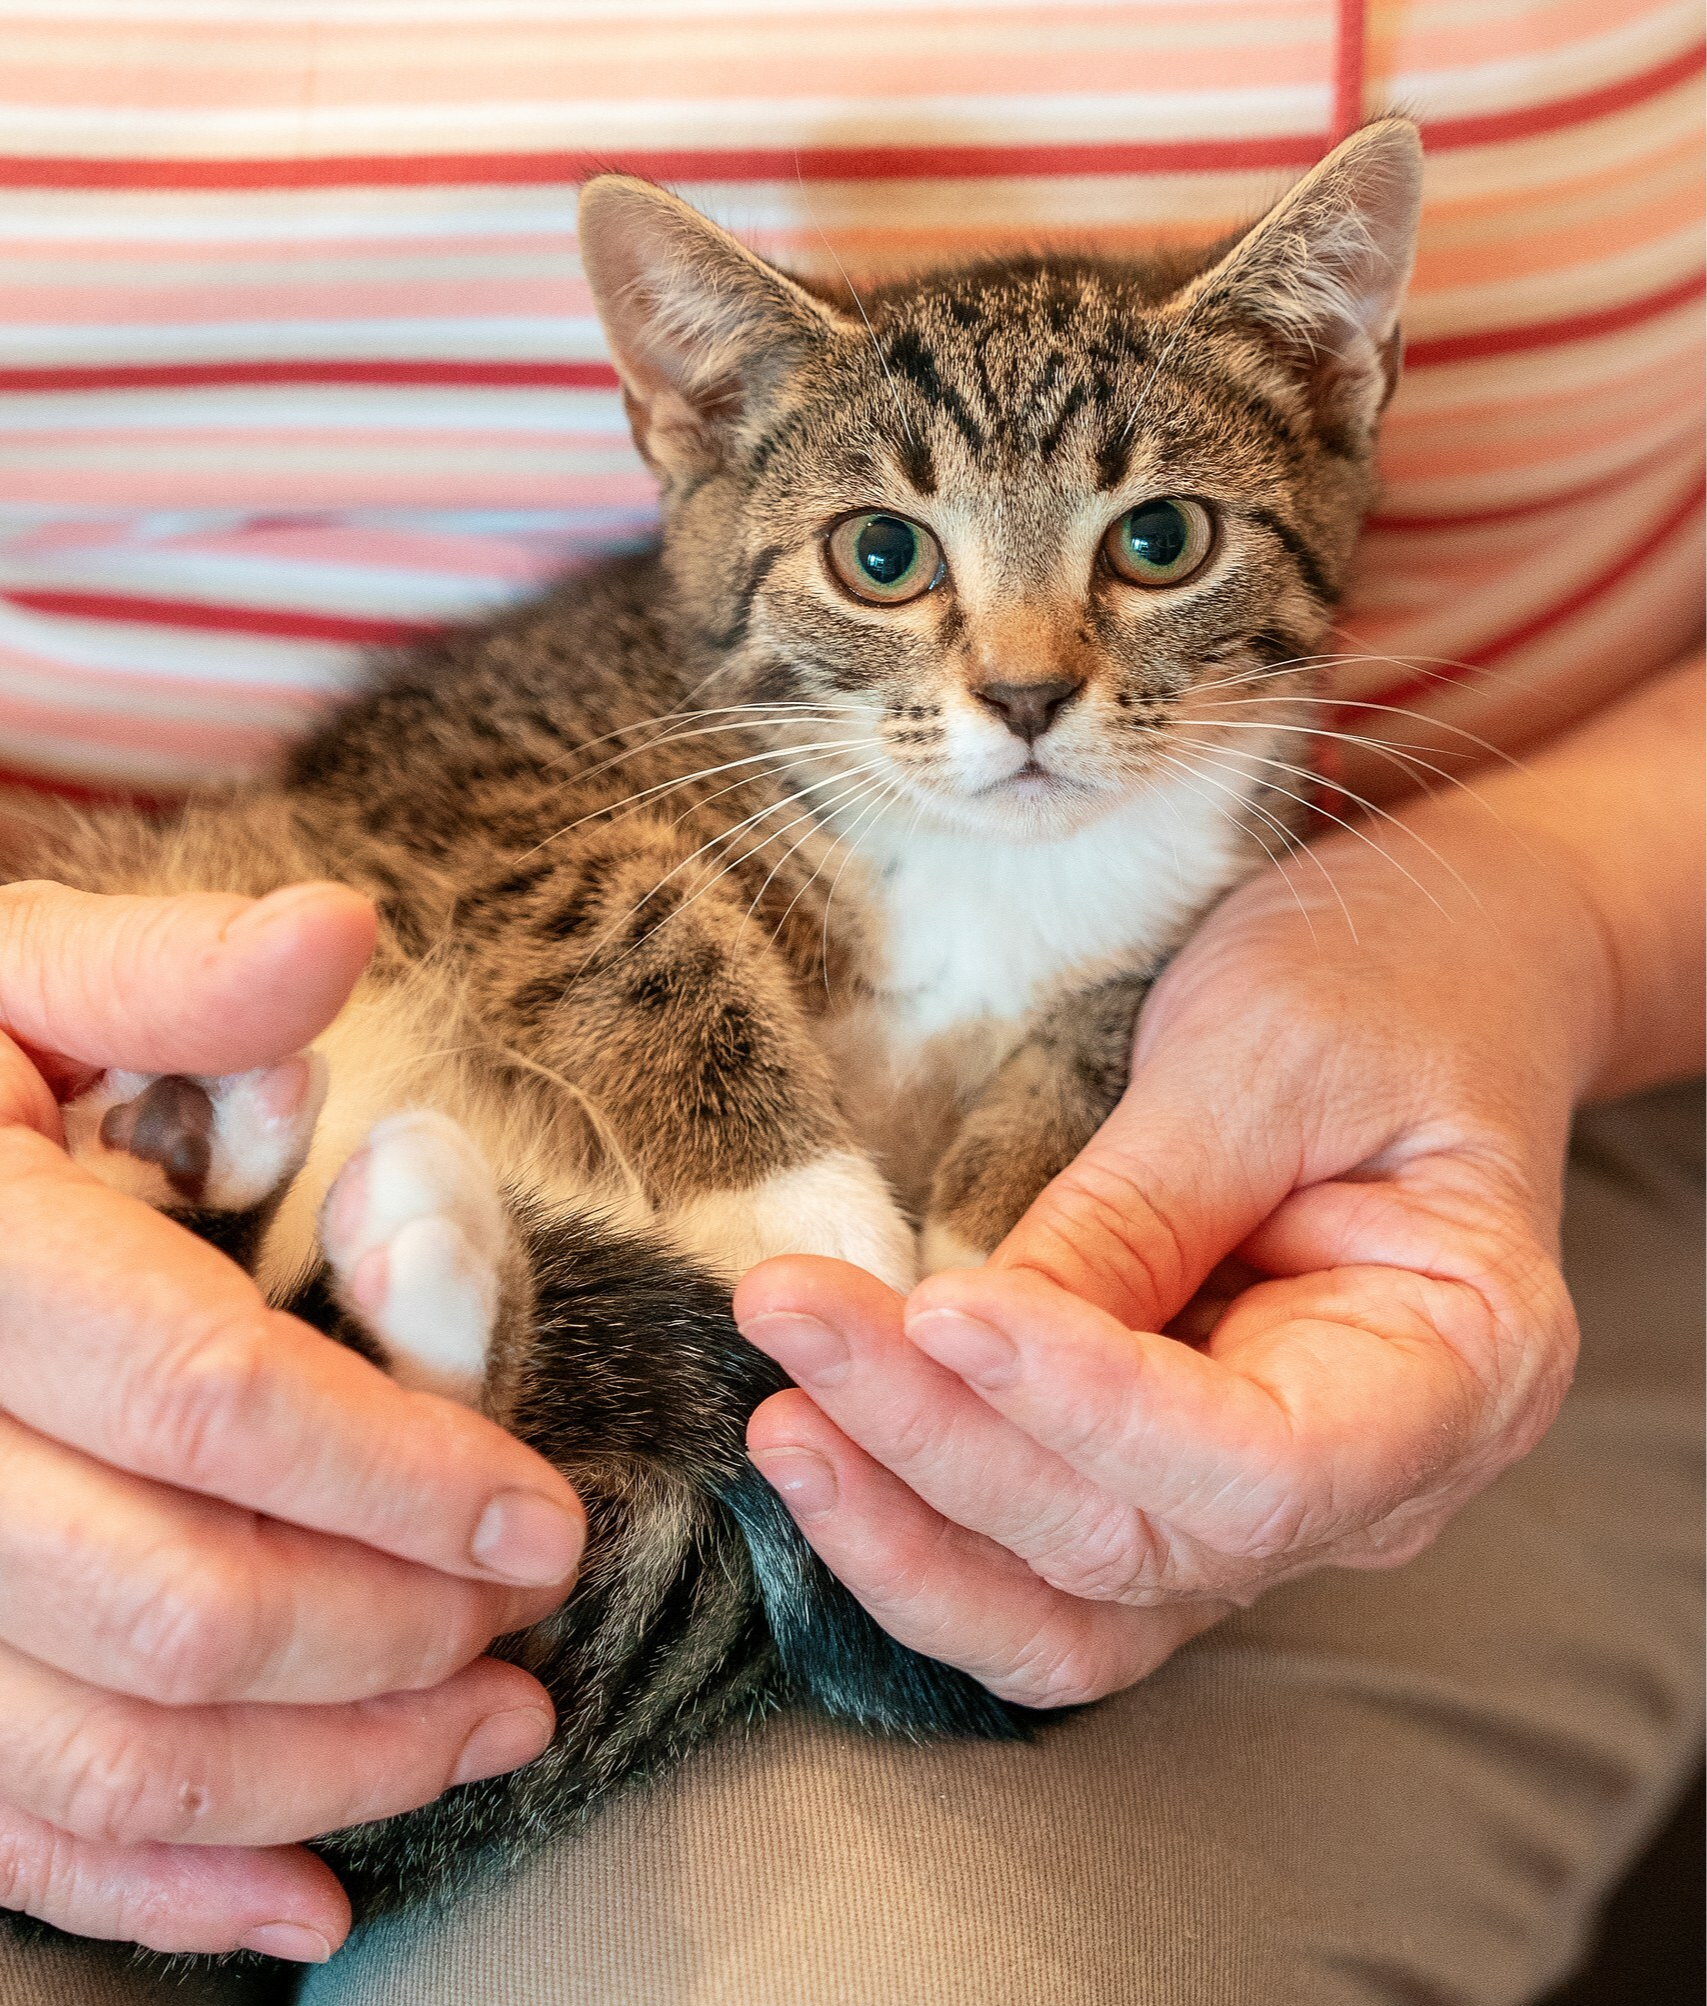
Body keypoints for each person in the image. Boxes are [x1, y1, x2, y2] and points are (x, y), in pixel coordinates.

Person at [2, 4, 1706, 2000]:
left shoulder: (1191, 901)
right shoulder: (648, 762)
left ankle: (466, 1371)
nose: (1025, 665)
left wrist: (1540, 923)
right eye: (888, 554)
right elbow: (478, 844)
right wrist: (786, 1198)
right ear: (695, 427)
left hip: (1510, 1088)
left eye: (1149, 542)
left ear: (1334, 389)